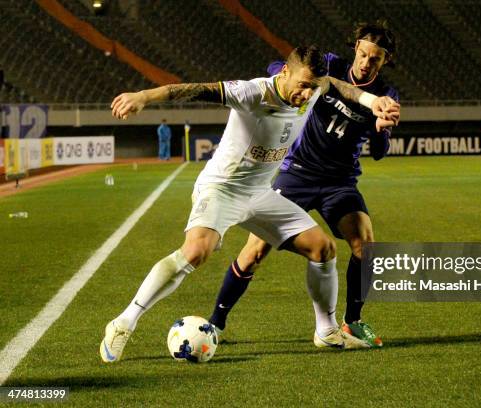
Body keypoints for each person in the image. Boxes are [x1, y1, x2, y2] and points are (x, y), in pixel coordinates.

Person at [100, 45, 400, 363]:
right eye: (302, 85)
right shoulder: (252, 92)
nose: (306, 94)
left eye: (312, 87)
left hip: (260, 193)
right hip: (222, 189)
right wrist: (143, 97)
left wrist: (371, 101)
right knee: (196, 252)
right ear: (284, 72)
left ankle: (326, 331)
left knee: (323, 249)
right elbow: (194, 90)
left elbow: (336, 85)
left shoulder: (315, 88)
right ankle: (122, 323)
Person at [207, 21, 399, 349]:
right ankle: (215, 323)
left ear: (385, 62)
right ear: (355, 48)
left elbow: (380, 153)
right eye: (364, 54)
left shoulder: (387, 95)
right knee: (254, 251)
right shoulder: (330, 65)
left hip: (339, 180)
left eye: (376, 59)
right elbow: (276, 70)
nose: (367, 63)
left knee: (365, 246)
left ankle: (352, 322)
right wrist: (327, 82)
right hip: (297, 172)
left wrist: (382, 128)